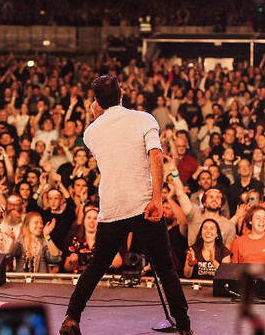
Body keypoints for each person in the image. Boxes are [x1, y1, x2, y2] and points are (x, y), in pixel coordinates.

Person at [61, 75, 191, 335]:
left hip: (112, 207)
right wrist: (157, 198)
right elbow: (156, 157)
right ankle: (185, 327)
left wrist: (97, 114)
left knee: (98, 264)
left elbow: (110, 143)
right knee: (164, 267)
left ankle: (71, 318)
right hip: (144, 204)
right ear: (122, 95)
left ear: (96, 102)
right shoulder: (144, 119)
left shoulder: (91, 132)